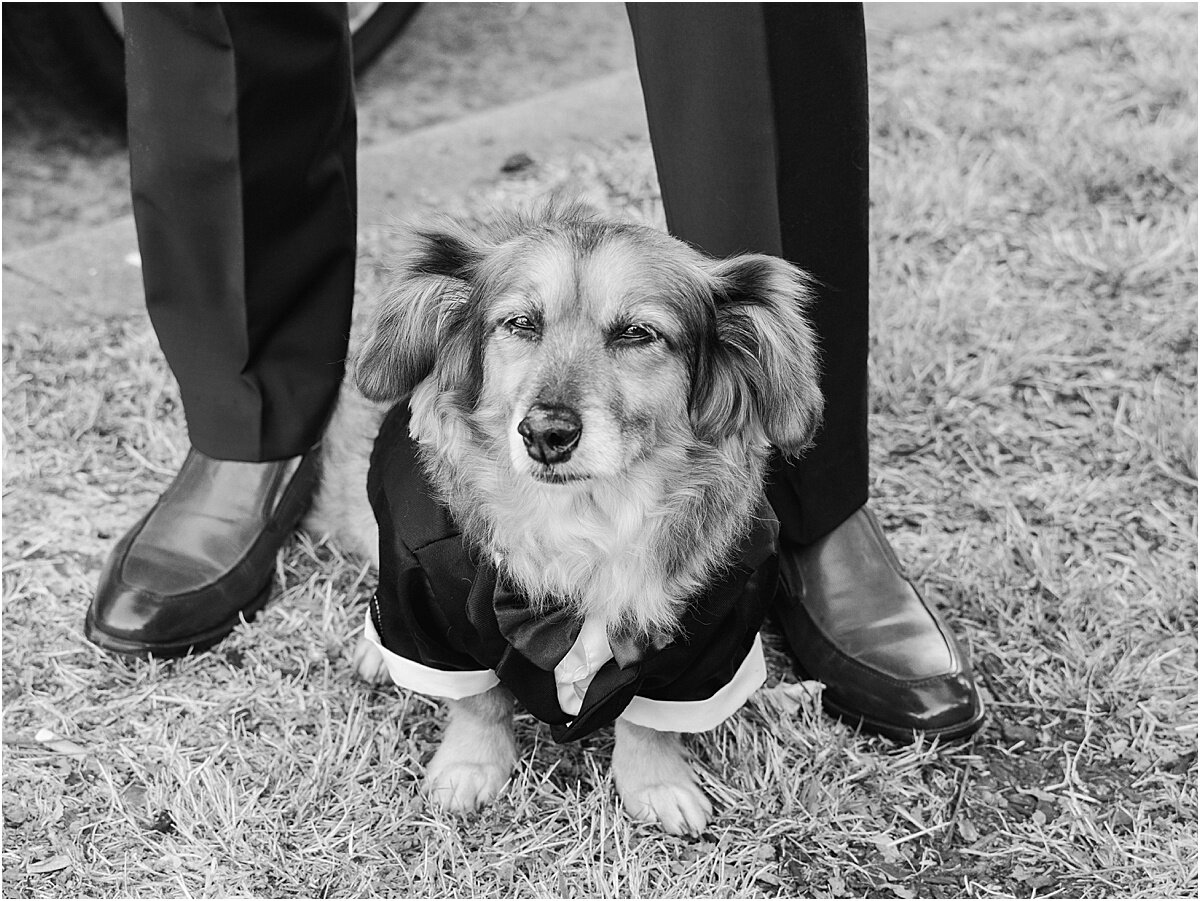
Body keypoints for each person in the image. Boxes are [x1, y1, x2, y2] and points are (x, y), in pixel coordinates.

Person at [87, 3, 984, 742]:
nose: (558, 394)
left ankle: (808, 500)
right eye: (520, 323)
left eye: (635, 334)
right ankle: (253, 423)